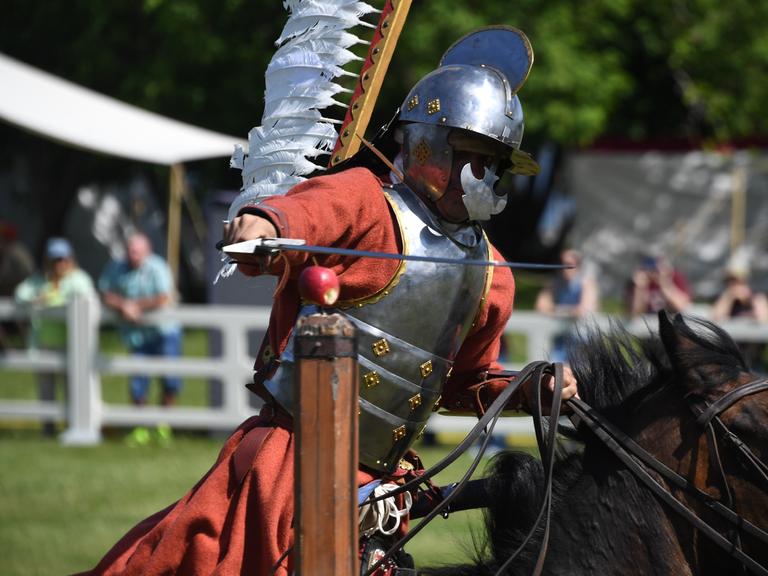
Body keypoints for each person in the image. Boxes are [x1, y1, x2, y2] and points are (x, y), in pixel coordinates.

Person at [79, 26, 578, 576]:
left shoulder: (494, 275)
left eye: (497, 164)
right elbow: (304, 214)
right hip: (292, 463)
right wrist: (265, 224)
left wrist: (530, 386)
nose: (484, 177)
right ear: (423, 146)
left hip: (384, 487)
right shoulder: (365, 200)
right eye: (473, 157)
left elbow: (464, 382)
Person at [14, 237, 96, 434]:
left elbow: (86, 294)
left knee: (72, 387)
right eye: (56, 259)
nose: (60, 264)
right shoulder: (39, 281)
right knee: (46, 388)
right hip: (44, 343)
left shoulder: (79, 278)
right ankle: (48, 427)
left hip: (71, 344)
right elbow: (20, 294)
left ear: (71, 259)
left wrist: (57, 299)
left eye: (63, 259)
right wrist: (37, 297)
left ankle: (72, 425)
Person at [98, 233, 182, 411]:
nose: (132, 255)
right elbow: (105, 292)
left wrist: (135, 306)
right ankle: (140, 425)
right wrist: (123, 306)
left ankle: (165, 423)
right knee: (138, 380)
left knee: (169, 378)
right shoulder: (117, 267)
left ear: (147, 252)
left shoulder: (157, 267)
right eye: (130, 251)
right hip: (137, 335)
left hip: (164, 331)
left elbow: (163, 297)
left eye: (136, 251)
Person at [535, 248, 599, 362]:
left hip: (581, 340)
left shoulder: (586, 283)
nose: (564, 268)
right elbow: (540, 306)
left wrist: (555, 310)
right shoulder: (555, 282)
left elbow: (583, 310)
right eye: (561, 263)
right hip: (560, 339)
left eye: (568, 264)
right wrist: (567, 311)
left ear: (578, 265)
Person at [712, 262, 768, 372]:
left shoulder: (757, 297)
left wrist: (750, 300)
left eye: (738, 282)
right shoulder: (725, 299)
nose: (734, 286)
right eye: (730, 282)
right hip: (731, 359)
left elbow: (763, 320)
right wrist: (728, 297)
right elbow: (715, 318)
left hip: (754, 359)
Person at [0, 221, 35, 349]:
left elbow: (29, 277)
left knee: (22, 319)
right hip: (5, 298)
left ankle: (28, 347)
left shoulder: (18, 255)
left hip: (19, 297)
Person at [627, 253, 691, 317]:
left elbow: (681, 307)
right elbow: (635, 314)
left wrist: (664, 283)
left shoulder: (675, 277)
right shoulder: (637, 281)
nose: (653, 271)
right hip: (647, 323)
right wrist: (639, 288)